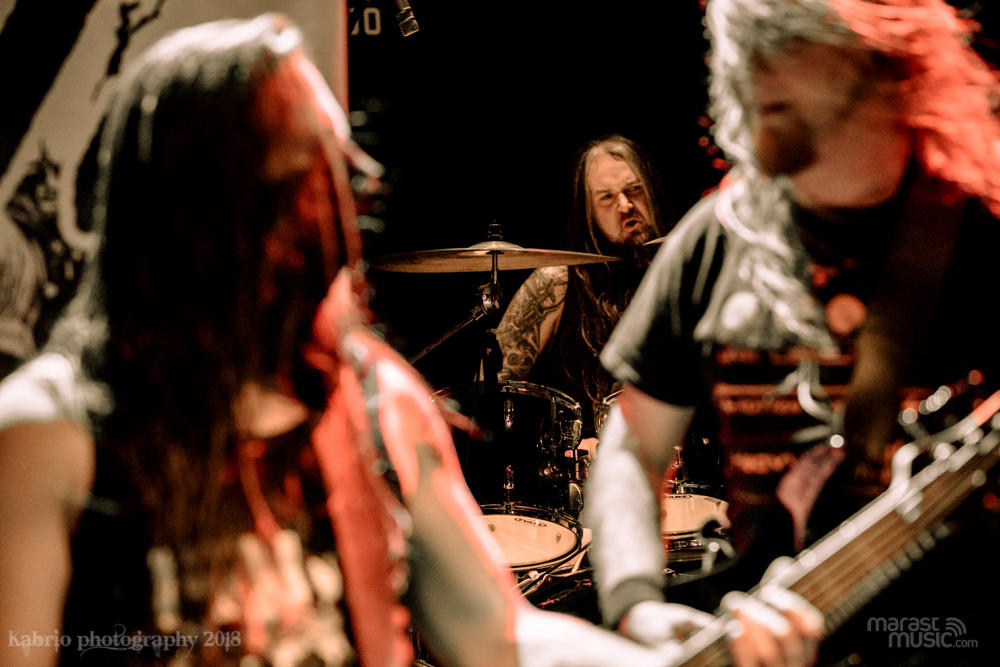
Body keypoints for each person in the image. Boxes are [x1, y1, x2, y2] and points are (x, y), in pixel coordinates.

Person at [0, 13, 805, 667]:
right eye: (304, 172)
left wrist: (682, 654)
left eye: (342, 169)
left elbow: (502, 639)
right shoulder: (49, 436)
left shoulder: (380, 403)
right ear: (195, 211)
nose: (342, 198)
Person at [585, 0, 1000, 663]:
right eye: (742, 41)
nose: (748, 63)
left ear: (882, 61)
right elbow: (634, 447)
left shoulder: (982, 234)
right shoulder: (719, 235)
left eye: (781, 36)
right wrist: (636, 604)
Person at [495, 135, 668, 440]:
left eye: (634, 190)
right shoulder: (556, 281)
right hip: (582, 462)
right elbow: (490, 394)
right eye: (607, 197)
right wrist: (568, 449)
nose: (626, 206)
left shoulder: (681, 278)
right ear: (588, 211)